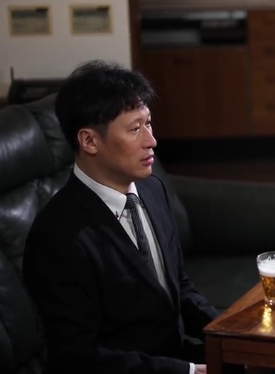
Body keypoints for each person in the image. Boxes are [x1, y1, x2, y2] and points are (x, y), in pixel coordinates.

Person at [23, 60, 217, 374]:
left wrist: (230, 337)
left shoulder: (152, 189)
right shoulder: (57, 236)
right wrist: (189, 372)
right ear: (89, 141)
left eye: (149, 123)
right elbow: (77, 356)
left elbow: (178, 288)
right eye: (135, 129)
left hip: (177, 357)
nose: (151, 140)